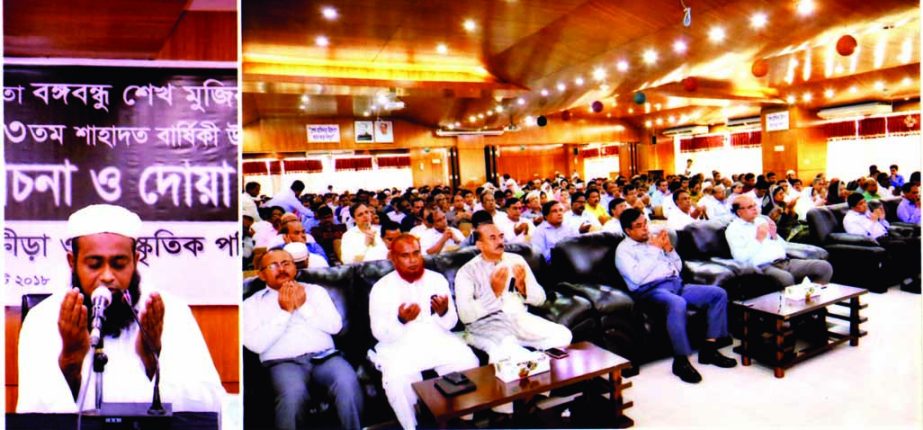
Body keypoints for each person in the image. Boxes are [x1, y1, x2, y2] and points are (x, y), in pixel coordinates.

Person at [17, 204, 224, 412]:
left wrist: (152, 360)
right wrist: (71, 359)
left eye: (119, 264)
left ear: (135, 260)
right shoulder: (42, 319)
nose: (107, 276)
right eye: (94, 264)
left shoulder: (171, 312)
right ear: (73, 262)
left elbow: (209, 407)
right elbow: (33, 416)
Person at [243, 249, 363, 430]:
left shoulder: (316, 292)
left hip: (325, 357)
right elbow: (256, 344)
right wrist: (285, 312)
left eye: (286, 263)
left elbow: (335, 327)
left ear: (295, 268)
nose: (282, 269)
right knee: (293, 395)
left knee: (347, 382)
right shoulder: (251, 304)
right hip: (283, 363)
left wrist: (303, 306)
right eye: (274, 265)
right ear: (261, 274)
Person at [368, 235, 479, 429]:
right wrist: (401, 320)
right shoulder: (381, 288)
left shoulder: (436, 279)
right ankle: (412, 426)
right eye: (405, 255)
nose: (412, 260)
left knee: (468, 361)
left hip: (436, 337)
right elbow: (379, 332)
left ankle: (463, 421)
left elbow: (451, 323)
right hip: (399, 344)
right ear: (393, 258)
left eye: (416, 253)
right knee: (396, 380)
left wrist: (443, 312)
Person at [615, 209, 737, 383]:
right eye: (639, 226)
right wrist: (656, 250)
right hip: (651, 290)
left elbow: (678, 267)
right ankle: (680, 361)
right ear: (628, 230)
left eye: (645, 224)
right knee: (678, 303)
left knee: (718, 294)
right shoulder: (624, 251)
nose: (645, 229)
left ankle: (709, 349)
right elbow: (637, 277)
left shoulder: (653, 240)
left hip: (676, 284)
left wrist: (668, 249)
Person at [725, 195, 833, 288]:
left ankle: (813, 305)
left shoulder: (761, 221)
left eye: (754, 205)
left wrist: (774, 235)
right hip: (763, 267)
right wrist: (758, 239)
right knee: (786, 279)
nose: (755, 209)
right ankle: (795, 311)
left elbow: (783, 245)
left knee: (824, 267)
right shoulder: (734, 229)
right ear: (739, 212)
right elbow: (740, 258)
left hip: (784, 262)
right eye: (749, 207)